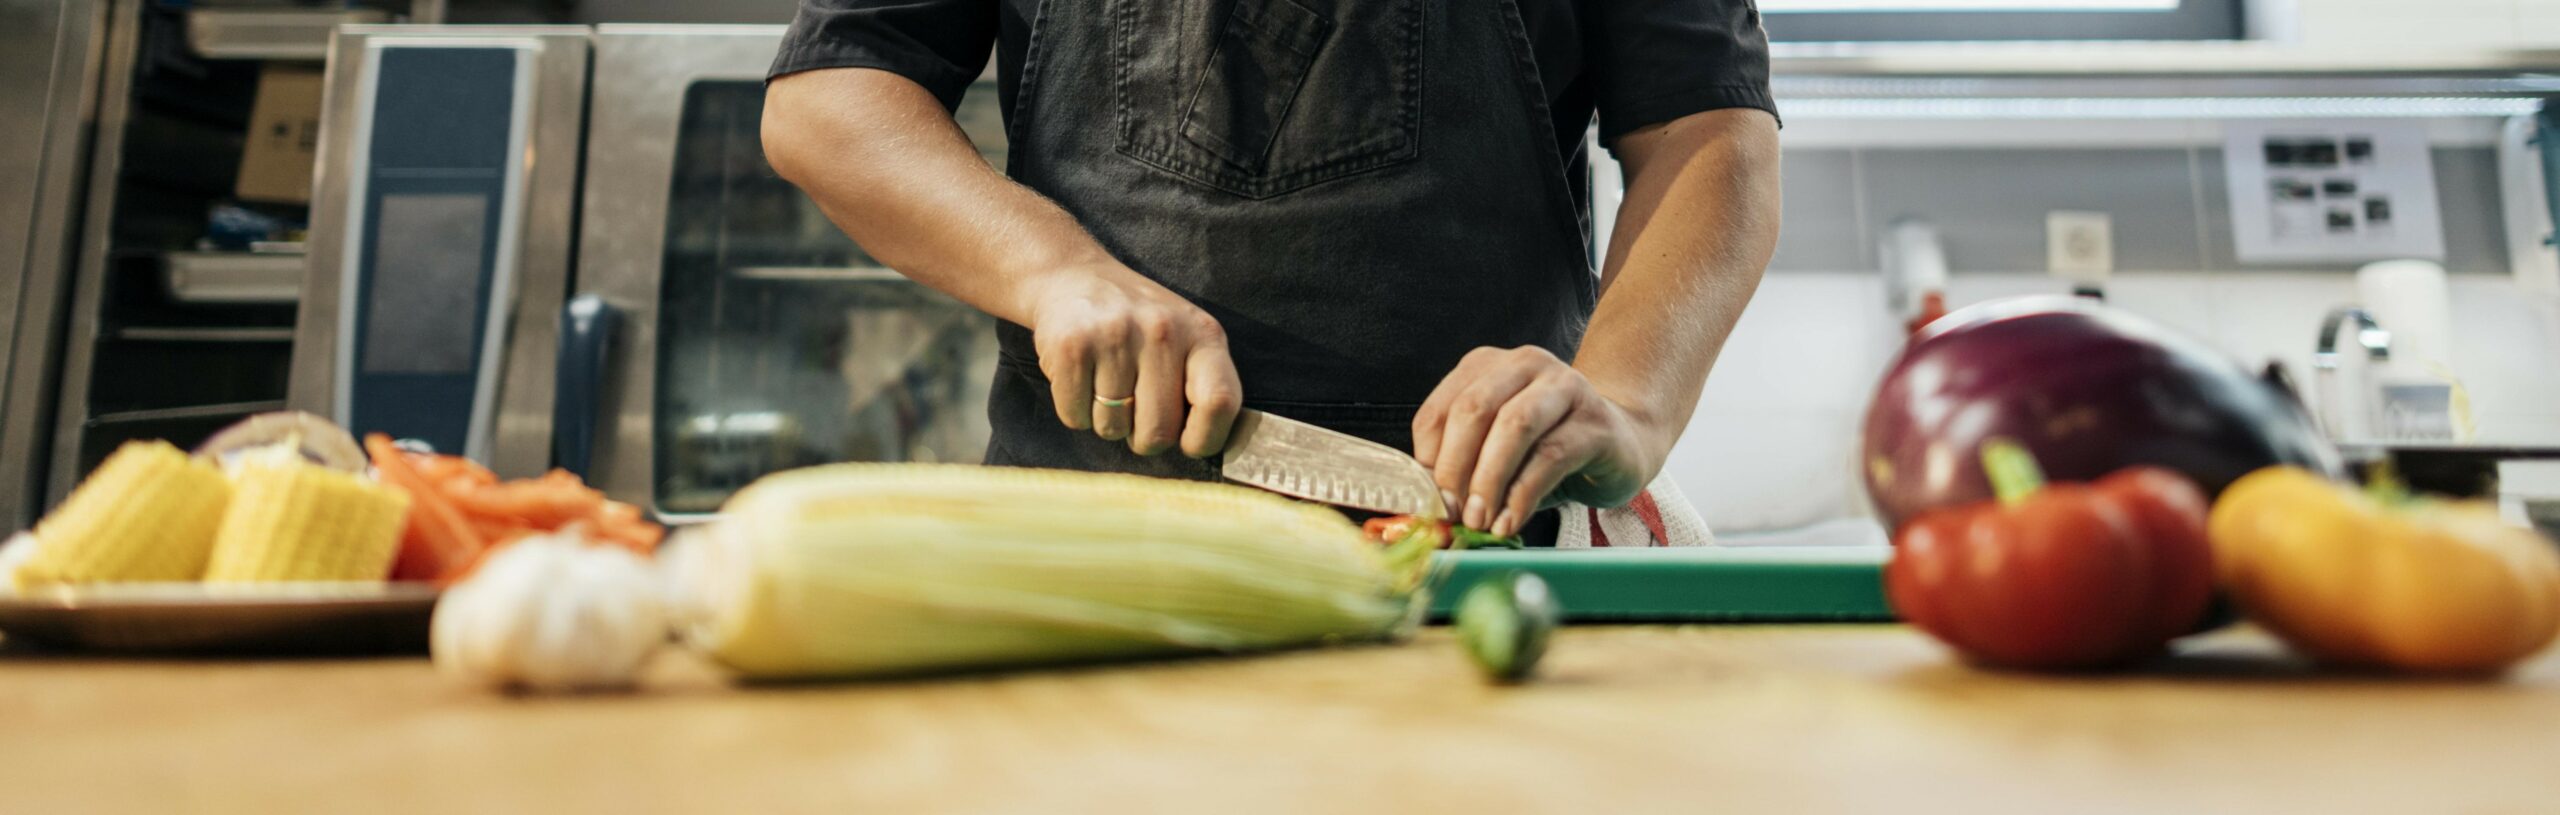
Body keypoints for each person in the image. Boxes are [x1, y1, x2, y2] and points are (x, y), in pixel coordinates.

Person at [762, 0, 1780, 546]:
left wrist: (1626, 400)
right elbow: (834, 94)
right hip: (1085, 538)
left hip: (1485, 547)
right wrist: (1054, 270)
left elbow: (1708, 131)